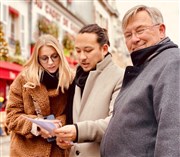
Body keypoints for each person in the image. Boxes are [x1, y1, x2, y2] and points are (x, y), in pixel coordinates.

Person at [100, 5, 180, 157]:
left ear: (161, 30)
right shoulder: (149, 64)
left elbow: (174, 130)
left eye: (140, 30)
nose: (134, 39)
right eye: (128, 35)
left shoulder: (172, 63)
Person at [54, 24, 124, 157]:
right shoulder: (76, 77)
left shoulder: (120, 77)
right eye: (78, 51)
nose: (81, 57)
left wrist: (77, 131)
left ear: (104, 49)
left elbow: (115, 123)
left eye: (88, 50)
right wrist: (66, 137)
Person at [5, 34, 74, 157]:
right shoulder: (24, 80)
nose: (51, 62)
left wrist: (59, 124)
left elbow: (75, 112)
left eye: (54, 56)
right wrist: (35, 126)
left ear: (60, 56)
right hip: (24, 151)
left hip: (58, 150)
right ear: (37, 59)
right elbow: (11, 117)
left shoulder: (70, 80)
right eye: (44, 58)